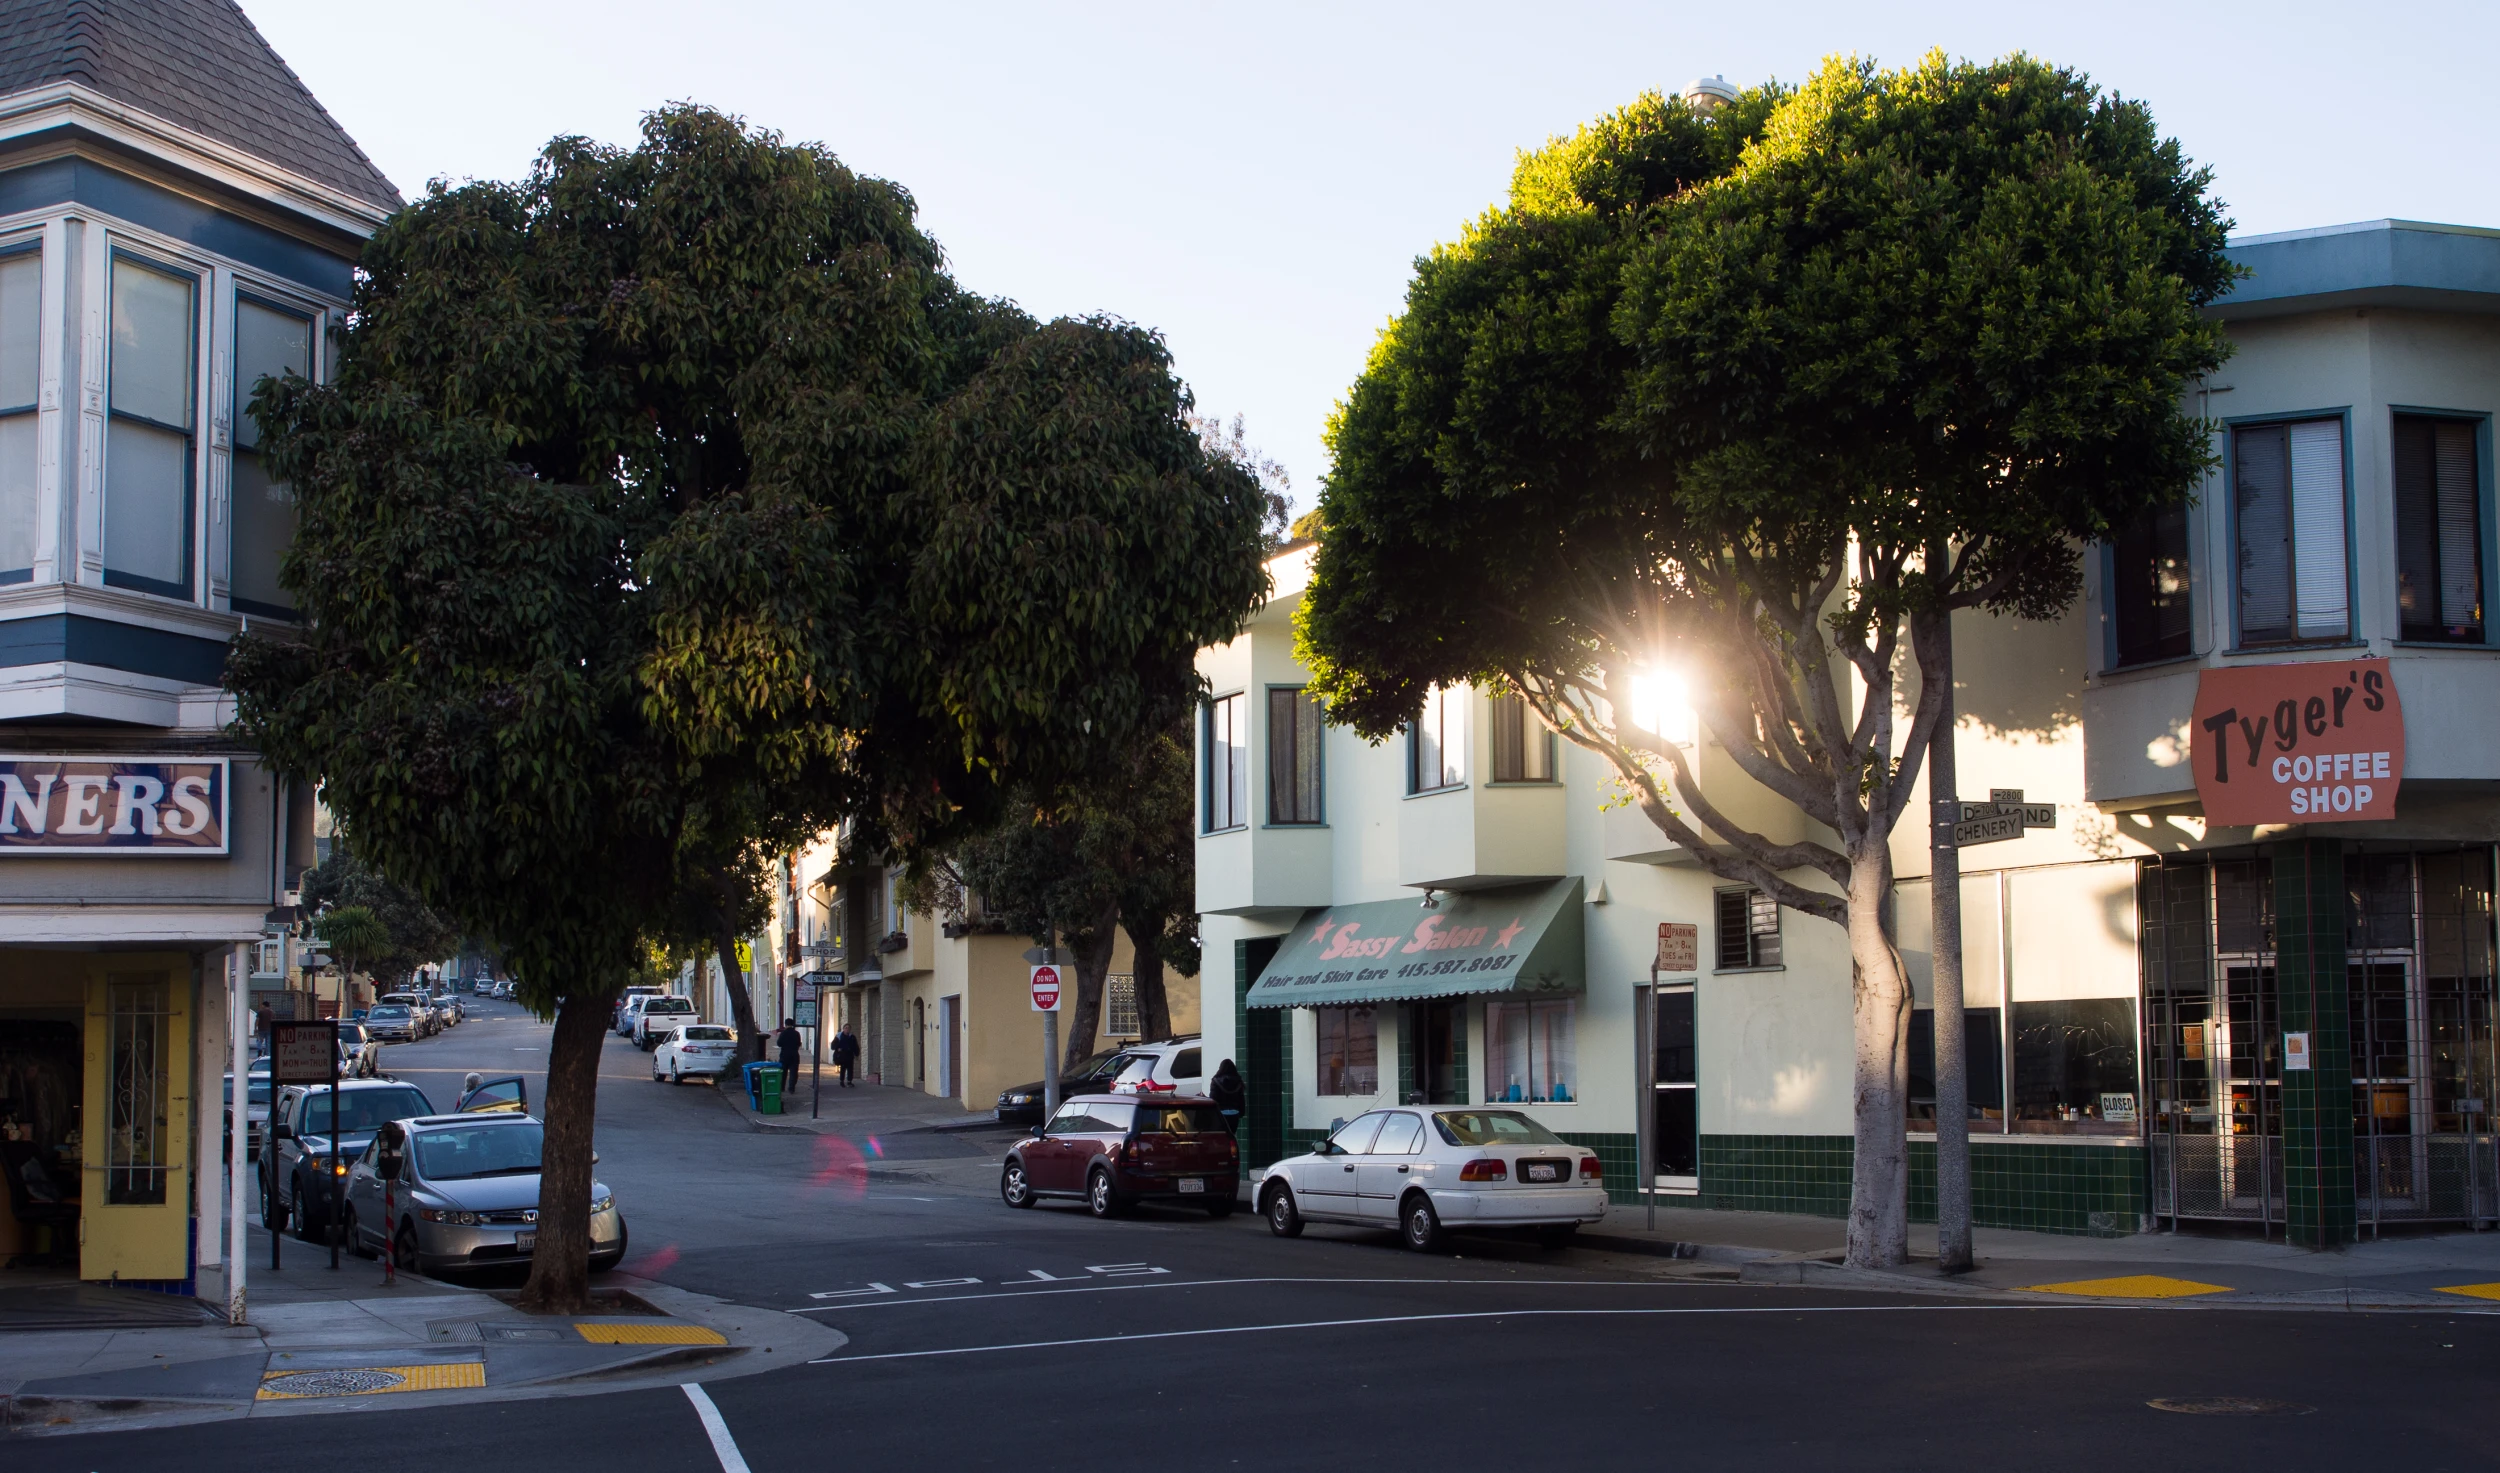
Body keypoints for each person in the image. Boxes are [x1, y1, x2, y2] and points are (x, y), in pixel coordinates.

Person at [1208, 1057, 1246, 1135]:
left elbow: (1213, 1098)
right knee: (1231, 1135)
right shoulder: (1238, 1081)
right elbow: (1241, 1099)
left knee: (1222, 1136)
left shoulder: (1215, 1081)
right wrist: (1242, 1112)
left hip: (1220, 1114)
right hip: (1234, 1113)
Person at [775, 1018, 803, 1094]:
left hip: (784, 1055)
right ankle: (791, 1088)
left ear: (786, 1024)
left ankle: (782, 1087)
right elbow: (798, 1043)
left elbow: (779, 1043)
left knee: (783, 1072)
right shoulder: (796, 1033)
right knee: (793, 1072)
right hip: (794, 1054)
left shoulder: (783, 1033)